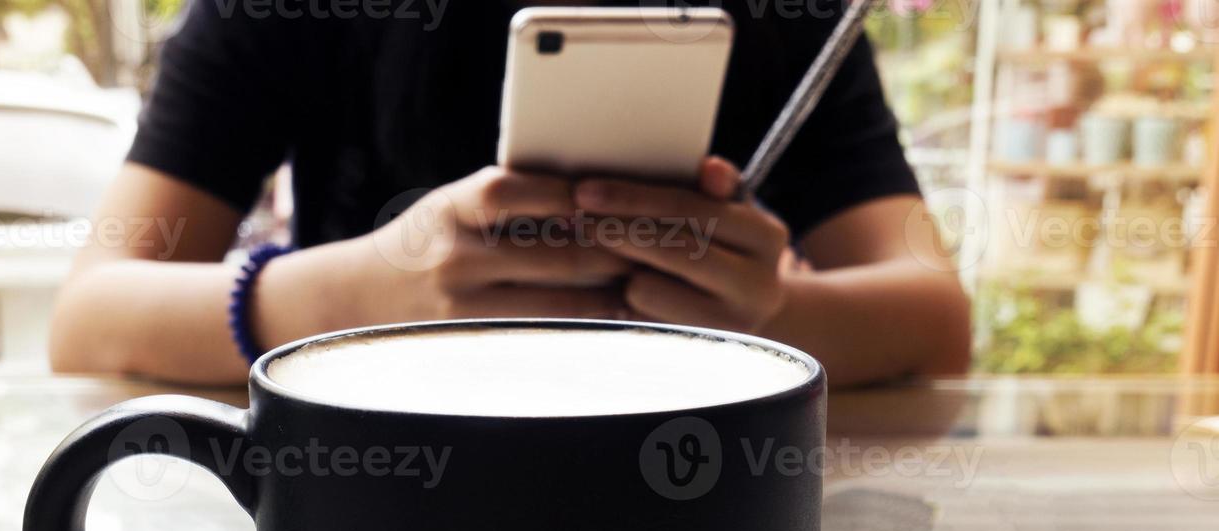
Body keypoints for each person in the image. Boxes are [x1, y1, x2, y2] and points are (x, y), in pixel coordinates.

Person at [51, 1, 970, 388]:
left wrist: (762, 313)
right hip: (375, 507)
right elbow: (91, 316)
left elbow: (933, 313)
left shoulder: (794, 15)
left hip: (693, 508)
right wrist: (367, 294)